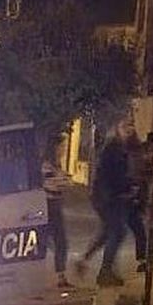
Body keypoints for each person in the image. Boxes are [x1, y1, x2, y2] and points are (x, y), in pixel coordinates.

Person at [76, 118, 134, 287]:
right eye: (126, 126)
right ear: (118, 128)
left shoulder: (119, 147)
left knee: (109, 231)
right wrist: (126, 189)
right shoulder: (113, 148)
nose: (129, 130)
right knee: (118, 231)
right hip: (107, 198)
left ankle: (85, 260)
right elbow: (112, 175)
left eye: (131, 126)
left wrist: (128, 187)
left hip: (109, 197)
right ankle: (105, 271)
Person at [42, 156, 73, 289]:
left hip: (54, 204)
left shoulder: (55, 167)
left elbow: (68, 182)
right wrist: (62, 179)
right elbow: (56, 183)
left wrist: (62, 179)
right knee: (54, 241)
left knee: (59, 242)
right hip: (48, 204)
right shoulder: (46, 167)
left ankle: (61, 276)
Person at [125, 132, 150, 272]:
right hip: (129, 202)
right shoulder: (135, 158)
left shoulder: (133, 157)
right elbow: (136, 180)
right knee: (138, 232)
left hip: (130, 202)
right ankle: (142, 261)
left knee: (113, 234)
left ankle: (142, 261)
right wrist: (136, 198)